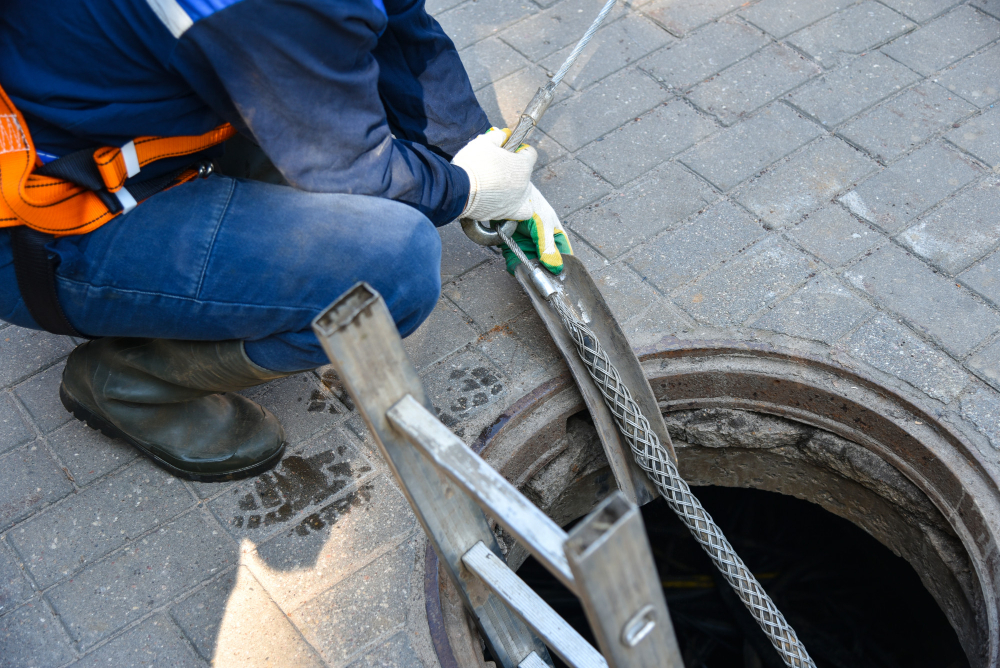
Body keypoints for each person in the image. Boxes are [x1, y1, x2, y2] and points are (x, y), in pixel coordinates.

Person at [0, 0, 572, 481]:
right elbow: (349, 163)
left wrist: (470, 146)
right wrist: (466, 191)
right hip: (43, 228)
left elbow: (401, 28)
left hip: (121, 122)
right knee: (393, 267)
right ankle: (128, 381)